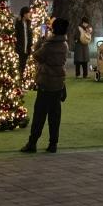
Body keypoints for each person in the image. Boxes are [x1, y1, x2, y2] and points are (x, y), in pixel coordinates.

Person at [21, 17, 70, 153]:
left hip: (46, 83)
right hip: (58, 83)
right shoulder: (64, 45)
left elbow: (36, 55)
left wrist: (41, 41)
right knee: (55, 115)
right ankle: (53, 143)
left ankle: (32, 143)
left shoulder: (48, 45)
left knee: (39, 114)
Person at [15, 6, 33, 75]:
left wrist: (30, 47)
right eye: (28, 13)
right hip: (20, 49)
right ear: (24, 14)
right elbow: (17, 36)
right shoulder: (18, 23)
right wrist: (18, 46)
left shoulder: (29, 23)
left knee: (24, 67)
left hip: (27, 49)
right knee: (19, 67)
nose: (29, 14)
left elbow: (29, 36)